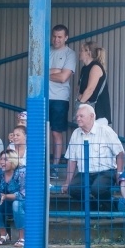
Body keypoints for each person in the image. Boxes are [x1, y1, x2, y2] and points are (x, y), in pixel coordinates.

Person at [61, 104, 124, 209]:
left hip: (106, 172)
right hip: (84, 173)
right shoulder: (76, 133)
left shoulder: (105, 130)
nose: (78, 119)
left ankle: (111, 206)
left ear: (92, 116)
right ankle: (93, 208)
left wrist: (119, 174)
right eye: (77, 116)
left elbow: (120, 153)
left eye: (81, 116)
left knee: (97, 189)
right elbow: (72, 160)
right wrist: (67, 181)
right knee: (73, 189)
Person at [48, 24, 76, 179]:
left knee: (56, 132)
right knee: (39, 132)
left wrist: (47, 72)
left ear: (66, 38)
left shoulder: (69, 54)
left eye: (59, 37)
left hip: (59, 98)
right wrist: (56, 71)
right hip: (43, 97)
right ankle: (39, 164)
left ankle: (55, 166)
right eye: (54, 36)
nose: (56, 39)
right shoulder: (46, 51)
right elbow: (35, 72)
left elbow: (64, 77)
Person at [0, 149, 26, 247]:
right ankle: (3, 234)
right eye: (1, 159)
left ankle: (22, 237)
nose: (2, 162)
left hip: (23, 204)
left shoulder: (22, 171)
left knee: (16, 204)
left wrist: (5, 196)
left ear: (13, 160)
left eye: (5, 159)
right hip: (5, 203)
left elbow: (22, 195)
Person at [76, 40, 112, 127]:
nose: (79, 53)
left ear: (88, 52)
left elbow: (90, 89)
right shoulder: (84, 68)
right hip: (89, 108)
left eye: (81, 50)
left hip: (98, 111)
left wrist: (80, 105)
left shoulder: (95, 67)